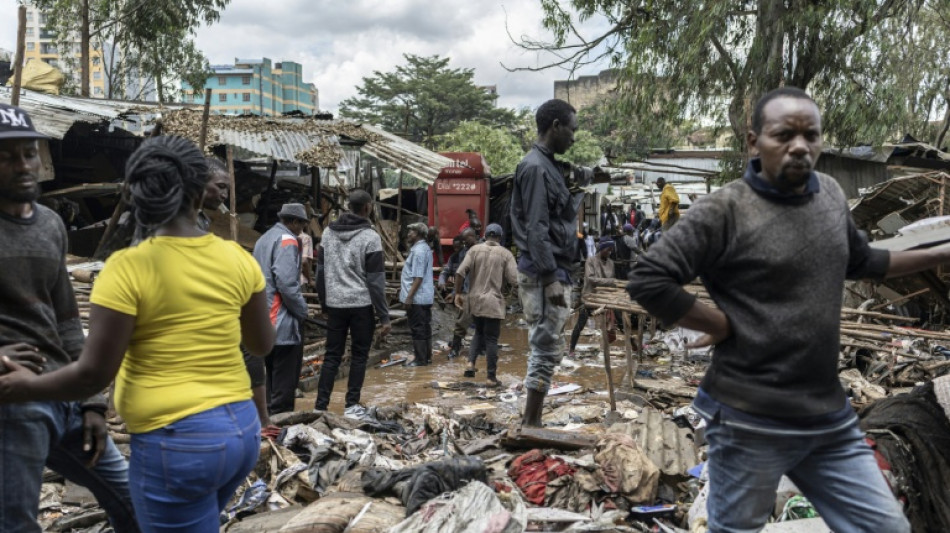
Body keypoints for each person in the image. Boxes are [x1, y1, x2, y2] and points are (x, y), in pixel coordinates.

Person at [625, 87, 945, 533]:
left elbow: (864, 261)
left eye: (810, 135)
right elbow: (649, 279)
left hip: (826, 417)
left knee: (887, 526)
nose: (799, 145)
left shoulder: (830, 195)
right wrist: (720, 322)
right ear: (753, 142)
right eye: (784, 135)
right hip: (747, 417)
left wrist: (936, 253)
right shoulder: (725, 210)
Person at [0, 134, 275, 532]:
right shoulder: (237, 257)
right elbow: (261, 344)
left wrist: (26, 386)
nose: (25, 165)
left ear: (136, 193)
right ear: (200, 193)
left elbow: (93, 373)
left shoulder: (126, 268)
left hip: (177, 441)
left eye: (29, 154)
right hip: (240, 434)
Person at [0, 103, 139, 533]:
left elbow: (65, 316)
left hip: (66, 391)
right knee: (18, 523)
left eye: (29, 152)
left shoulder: (50, 223)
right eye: (7, 156)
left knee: (133, 503)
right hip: (14, 401)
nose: (24, 165)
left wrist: (93, 401)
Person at [510, 98, 589, 427]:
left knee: (548, 346)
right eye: (571, 129)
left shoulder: (550, 166)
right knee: (544, 347)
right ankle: (531, 422)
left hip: (553, 269)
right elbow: (537, 227)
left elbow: (561, 212)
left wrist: (580, 181)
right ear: (555, 126)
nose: (574, 137)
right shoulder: (536, 168)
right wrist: (551, 279)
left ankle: (534, 418)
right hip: (546, 271)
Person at [314, 190, 391, 419]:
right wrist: (384, 316)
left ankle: (320, 406)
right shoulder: (370, 237)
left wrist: (324, 303)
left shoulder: (328, 233)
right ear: (367, 208)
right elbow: (376, 281)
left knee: (331, 356)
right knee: (359, 355)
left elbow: (320, 273)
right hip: (360, 304)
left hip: (335, 303)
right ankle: (351, 405)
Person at [253, 203, 310, 415]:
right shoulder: (287, 240)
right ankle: (282, 424)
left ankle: (268, 422)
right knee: (285, 383)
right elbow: (287, 283)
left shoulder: (263, 239)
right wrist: (302, 310)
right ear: (293, 222)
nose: (302, 229)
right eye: (302, 225)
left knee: (270, 378)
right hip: (281, 320)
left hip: (263, 319)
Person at [455, 223, 518, 386]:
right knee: (491, 339)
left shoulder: (474, 250)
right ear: (500, 237)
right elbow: (515, 280)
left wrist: (457, 293)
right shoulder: (506, 254)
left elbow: (460, 272)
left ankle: (470, 363)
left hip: (474, 300)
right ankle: (491, 378)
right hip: (493, 302)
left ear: (485, 235)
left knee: (478, 333)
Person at [569, 240, 615, 357]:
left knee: (617, 320)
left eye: (610, 250)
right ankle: (571, 349)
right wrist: (609, 282)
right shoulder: (591, 260)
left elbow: (611, 281)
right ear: (601, 249)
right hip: (590, 297)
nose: (609, 252)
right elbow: (590, 278)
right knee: (580, 324)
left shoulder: (611, 263)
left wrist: (611, 285)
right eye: (607, 249)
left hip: (604, 297)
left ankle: (631, 343)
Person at [401, 223, 434, 367]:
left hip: (417, 298)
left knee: (418, 328)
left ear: (419, 234)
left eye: (412, 231)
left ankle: (420, 360)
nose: (408, 234)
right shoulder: (423, 248)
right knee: (424, 327)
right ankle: (426, 357)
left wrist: (409, 297)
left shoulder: (419, 251)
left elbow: (418, 277)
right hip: (423, 296)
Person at [196, 157, 228, 232]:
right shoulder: (183, 220)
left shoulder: (202, 219)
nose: (225, 195)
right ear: (201, 181)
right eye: (221, 186)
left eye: (227, 190)